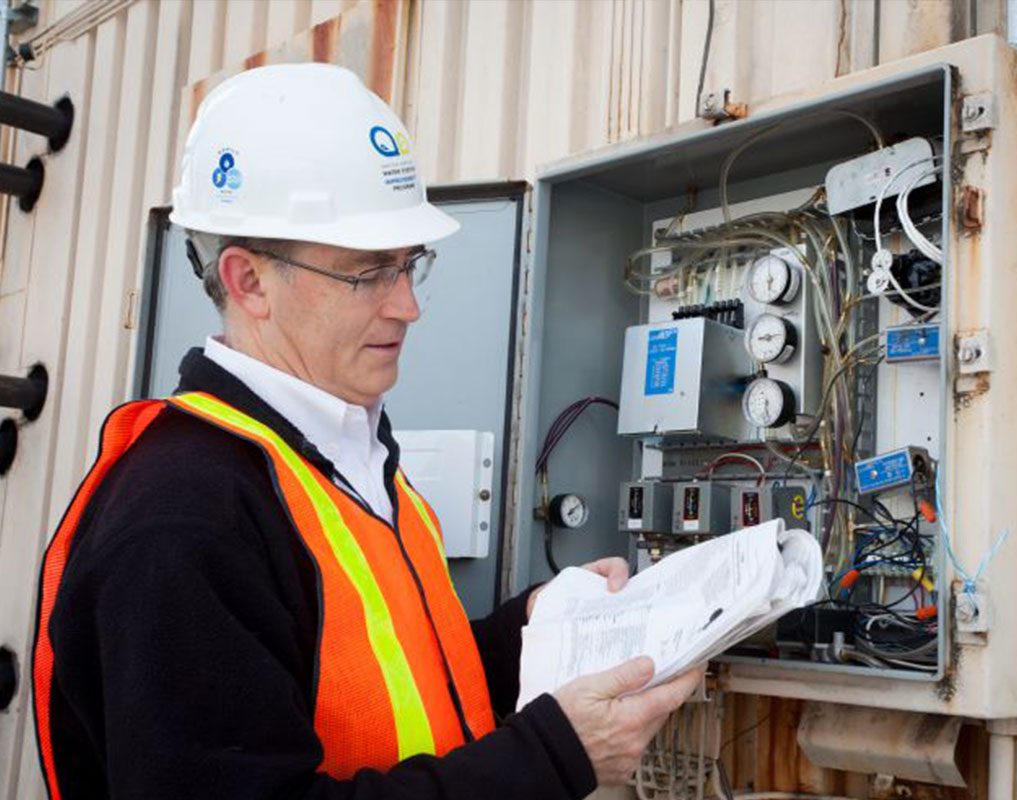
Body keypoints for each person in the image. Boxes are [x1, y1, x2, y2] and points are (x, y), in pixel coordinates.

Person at [31, 62, 701, 799]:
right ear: (249, 280)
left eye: (410, 265)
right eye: (368, 273)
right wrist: (550, 759)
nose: (408, 305)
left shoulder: (341, 455)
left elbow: (388, 681)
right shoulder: (183, 517)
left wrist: (529, 629)